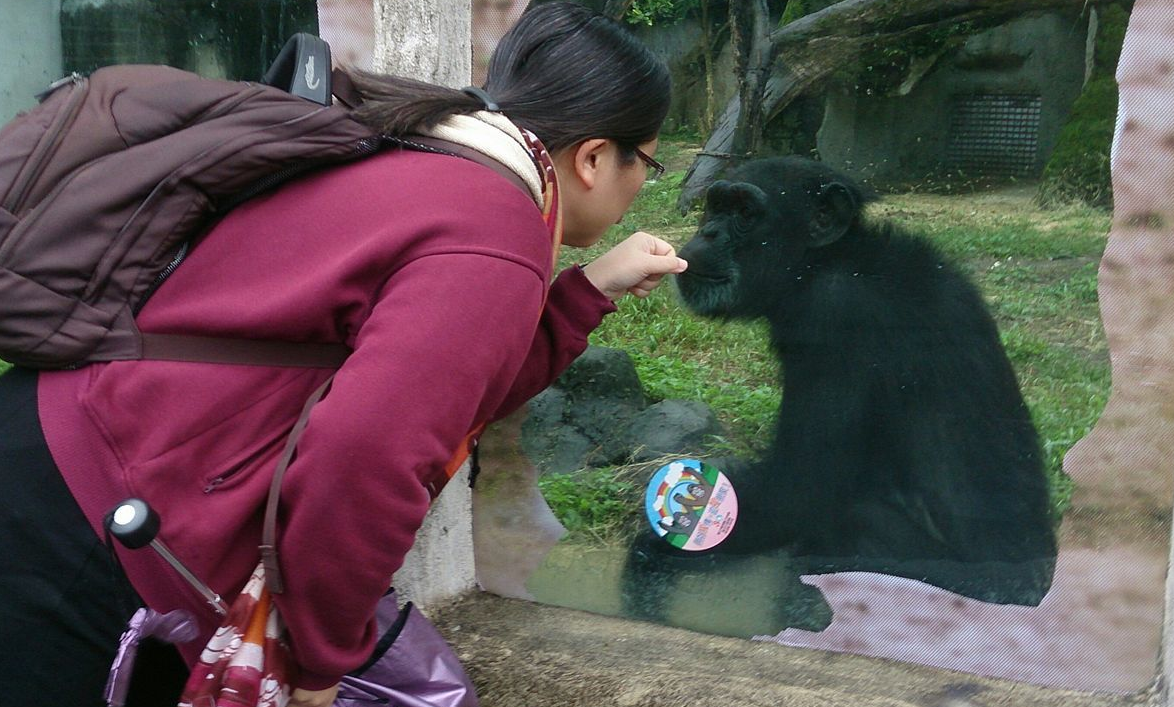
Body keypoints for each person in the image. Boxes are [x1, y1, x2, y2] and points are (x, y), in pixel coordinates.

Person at [0, 3, 683, 706]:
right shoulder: (496, 230)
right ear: (597, 157)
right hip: (90, 513)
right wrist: (322, 662)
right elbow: (367, 456)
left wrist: (589, 290)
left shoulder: (435, 151)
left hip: (79, 444)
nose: (643, 184)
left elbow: (441, 393)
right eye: (650, 161)